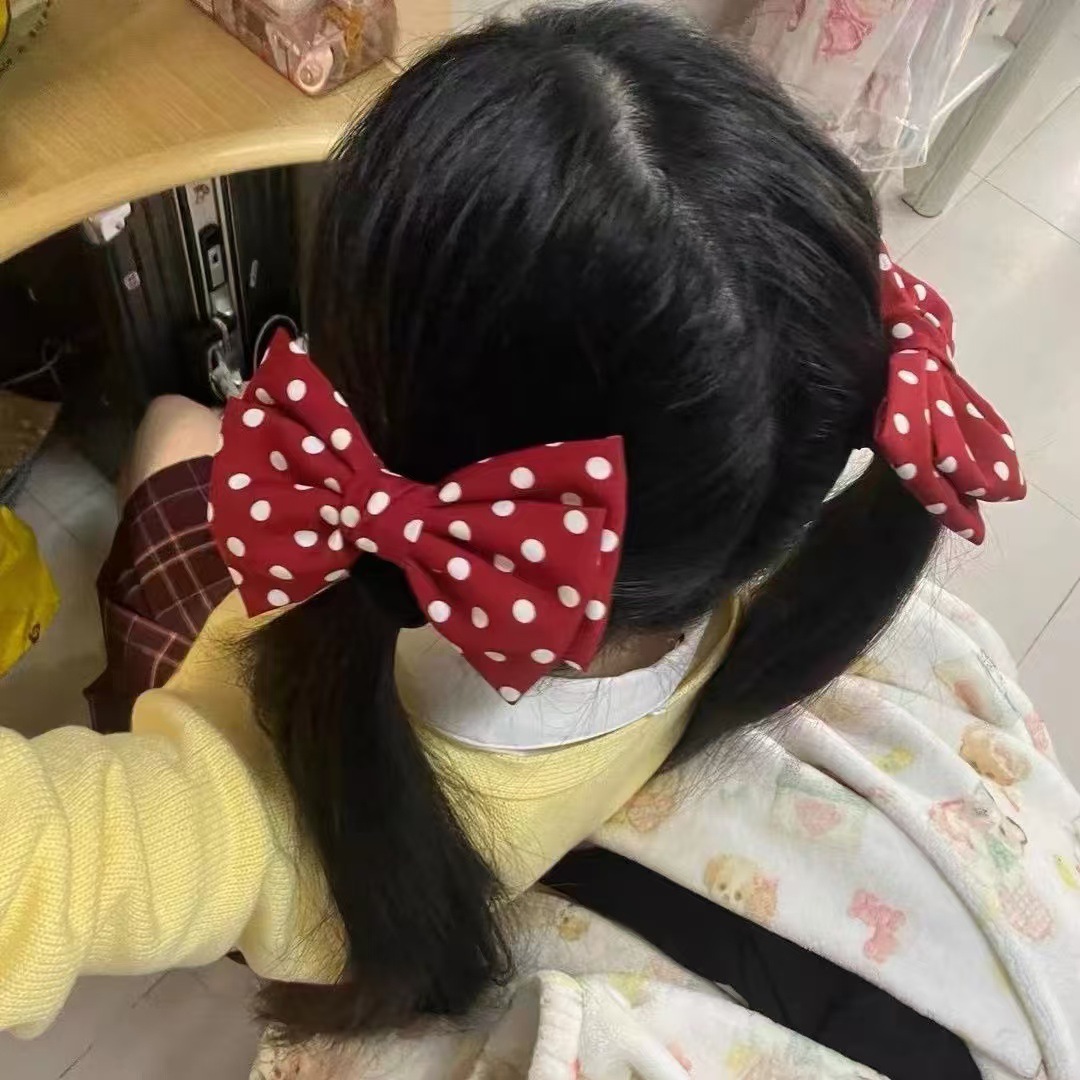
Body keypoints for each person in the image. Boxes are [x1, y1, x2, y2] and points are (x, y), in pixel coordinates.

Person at [2, 6, 1076, 1078]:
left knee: (173, 429)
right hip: (420, 844)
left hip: (319, 824)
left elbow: (41, 861)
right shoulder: (763, 575)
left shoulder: (231, 814)